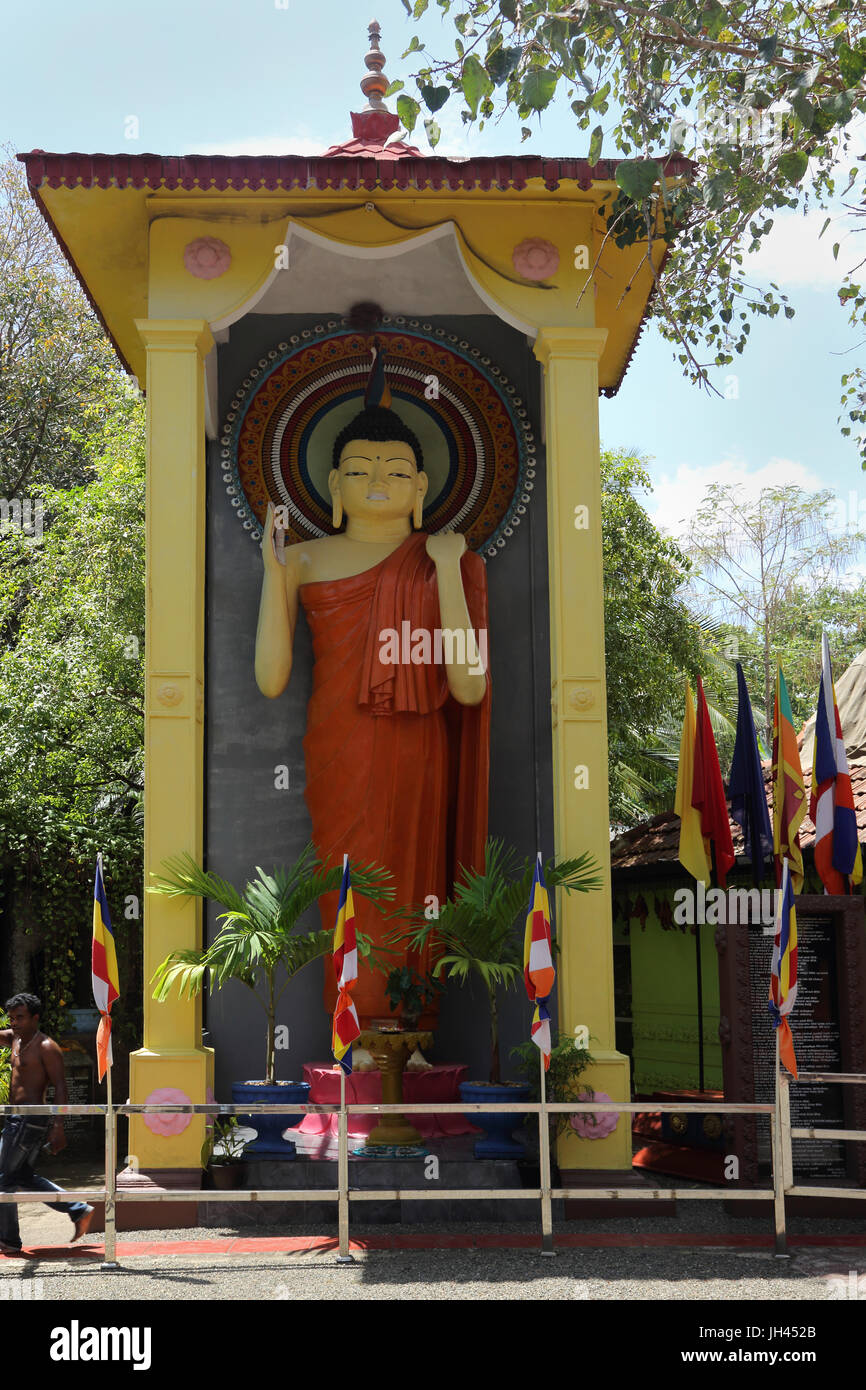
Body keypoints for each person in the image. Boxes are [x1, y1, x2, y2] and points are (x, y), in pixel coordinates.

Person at [255, 351, 491, 1026]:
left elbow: (468, 687)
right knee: (349, 875)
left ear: (421, 488)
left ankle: (408, 1033)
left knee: (410, 890)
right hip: (340, 747)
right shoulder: (300, 560)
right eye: (359, 472)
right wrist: (273, 576)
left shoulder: (448, 560)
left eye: (395, 473)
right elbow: (271, 678)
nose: (377, 483)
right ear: (332, 483)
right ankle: (352, 1023)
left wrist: (447, 569)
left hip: (415, 749)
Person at [0, 993, 93, 1253]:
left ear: (35, 1017)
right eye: (12, 1018)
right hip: (17, 1118)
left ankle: (8, 1240)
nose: (15, 1023)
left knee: (3, 1178)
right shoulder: (15, 1039)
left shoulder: (45, 1047)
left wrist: (59, 1125)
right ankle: (78, 1209)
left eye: (20, 1017)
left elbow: (61, 1087)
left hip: (29, 1120)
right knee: (22, 1176)